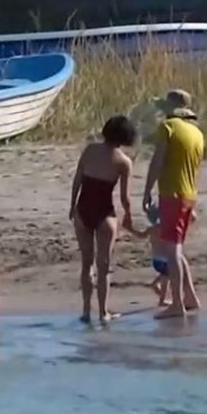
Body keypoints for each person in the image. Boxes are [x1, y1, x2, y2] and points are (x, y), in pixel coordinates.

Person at [141, 89, 205, 319]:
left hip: (172, 194)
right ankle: (190, 297)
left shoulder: (168, 127)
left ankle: (177, 304)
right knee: (176, 248)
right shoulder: (196, 133)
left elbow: (157, 161)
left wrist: (147, 190)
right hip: (189, 194)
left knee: (172, 250)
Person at [68, 115, 136, 324]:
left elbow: (78, 179)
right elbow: (124, 197)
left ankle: (86, 312)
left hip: (83, 209)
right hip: (104, 213)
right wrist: (129, 215)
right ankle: (103, 312)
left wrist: (72, 205)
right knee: (103, 265)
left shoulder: (90, 150)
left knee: (86, 263)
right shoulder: (124, 162)